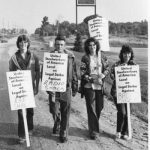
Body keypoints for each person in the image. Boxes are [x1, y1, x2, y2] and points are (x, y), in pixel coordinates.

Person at [46, 34, 78, 143]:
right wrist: (47, 87)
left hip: (66, 87)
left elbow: (74, 72)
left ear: (64, 45)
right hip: (54, 89)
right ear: (55, 45)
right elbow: (45, 72)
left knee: (66, 111)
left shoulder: (70, 56)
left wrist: (75, 85)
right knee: (53, 109)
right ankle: (58, 121)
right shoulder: (50, 55)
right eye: (57, 44)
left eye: (61, 45)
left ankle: (63, 132)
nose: (59, 46)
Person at [9, 34, 40, 143]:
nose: (23, 44)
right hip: (19, 89)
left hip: (30, 88)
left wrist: (36, 87)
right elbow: (11, 74)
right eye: (21, 42)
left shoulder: (33, 56)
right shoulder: (14, 58)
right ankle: (22, 134)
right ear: (18, 44)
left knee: (30, 110)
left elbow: (37, 72)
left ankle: (30, 128)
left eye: (25, 42)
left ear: (28, 43)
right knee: (21, 112)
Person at [80, 37, 109, 139]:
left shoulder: (102, 57)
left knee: (99, 107)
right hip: (89, 86)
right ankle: (94, 131)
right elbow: (82, 73)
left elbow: (107, 68)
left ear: (97, 46)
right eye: (90, 45)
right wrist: (92, 80)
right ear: (87, 47)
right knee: (91, 108)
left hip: (100, 86)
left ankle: (93, 126)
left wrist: (103, 75)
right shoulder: (85, 58)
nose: (92, 47)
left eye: (94, 45)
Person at [110, 44, 136, 140]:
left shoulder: (133, 65)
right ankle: (118, 131)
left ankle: (125, 132)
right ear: (122, 54)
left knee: (128, 112)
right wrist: (121, 71)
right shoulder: (116, 64)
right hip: (117, 92)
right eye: (125, 54)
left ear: (131, 55)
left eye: (129, 54)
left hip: (130, 92)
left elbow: (135, 78)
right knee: (122, 112)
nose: (127, 56)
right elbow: (111, 76)